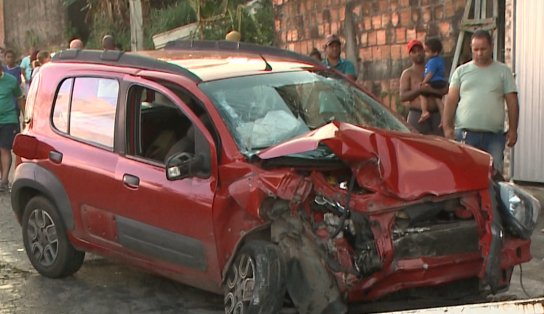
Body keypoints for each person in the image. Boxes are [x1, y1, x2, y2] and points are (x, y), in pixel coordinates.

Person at [443, 30, 519, 175]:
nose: (479, 53)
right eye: (475, 49)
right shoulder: (461, 72)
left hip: (494, 138)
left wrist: (513, 129)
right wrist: (447, 127)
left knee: (493, 176)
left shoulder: (503, 72)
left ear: (491, 47)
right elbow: (451, 100)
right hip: (465, 135)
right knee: (464, 175)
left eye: (483, 49)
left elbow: (512, 101)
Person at [400, 39, 448, 135]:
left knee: (439, 145)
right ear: (410, 55)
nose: (418, 54)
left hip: (436, 115)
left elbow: (445, 88)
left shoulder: (434, 67)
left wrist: (431, 90)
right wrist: (419, 90)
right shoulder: (408, 73)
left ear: (425, 51)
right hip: (417, 115)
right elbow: (403, 96)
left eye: (420, 50)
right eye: (414, 52)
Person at [0, 60, 25, 191]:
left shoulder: (11, 80)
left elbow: (20, 97)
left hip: (8, 120)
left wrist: (25, 115)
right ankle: (2, 177)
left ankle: (4, 180)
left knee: (4, 149)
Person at [419, 37, 448, 123]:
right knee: (438, 99)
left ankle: (424, 112)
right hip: (441, 82)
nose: (425, 53)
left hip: (434, 81)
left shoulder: (432, 61)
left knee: (422, 93)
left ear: (435, 52)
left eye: (427, 51)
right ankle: (443, 118)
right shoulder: (440, 60)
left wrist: (424, 82)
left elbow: (430, 73)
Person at [2, 50, 23, 121]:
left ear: (14, 58)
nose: (10, 59)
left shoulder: (18, 69)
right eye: (8, 57)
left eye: (11, 57)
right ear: (5, 58)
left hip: (15, 99)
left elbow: (20, 83)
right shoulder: (3, 70)